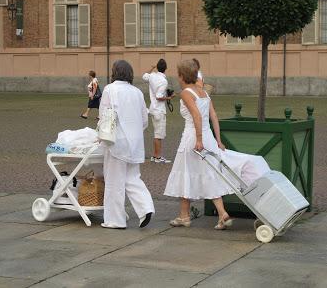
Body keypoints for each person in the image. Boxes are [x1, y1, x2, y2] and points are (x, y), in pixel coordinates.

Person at [164, 60, 270, 230]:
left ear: (182, 76)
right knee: (211, 173)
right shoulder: (204, 93)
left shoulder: (186, 93)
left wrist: (198, 140)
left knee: (186, 174)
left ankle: (190, 216)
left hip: (194, 137)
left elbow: (197, 117)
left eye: (178, 74)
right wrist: (218, 140)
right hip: (209, 138)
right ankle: (216, 214)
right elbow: (214, 117)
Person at [99, 60, 155, 229]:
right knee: (132, 178)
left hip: (116, 141)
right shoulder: (137, 92)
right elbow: (145, 119)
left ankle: (115, 220)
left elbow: (104, 115)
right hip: (136, 142)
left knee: (114, 181)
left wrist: (101, 134)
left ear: (114, 73)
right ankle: (146, 208)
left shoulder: (110, 89)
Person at [142, 59, 174, 163]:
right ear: (165, 68)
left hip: (153, 108)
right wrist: (169, 98)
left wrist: (152, 68)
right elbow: (159, 96)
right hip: (159, 110)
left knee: (157, 134)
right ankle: (157, 157)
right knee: (158, 135)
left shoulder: (152, 76)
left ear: (157, 67)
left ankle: (155, 156)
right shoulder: (164, 81)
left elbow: (144, 76)